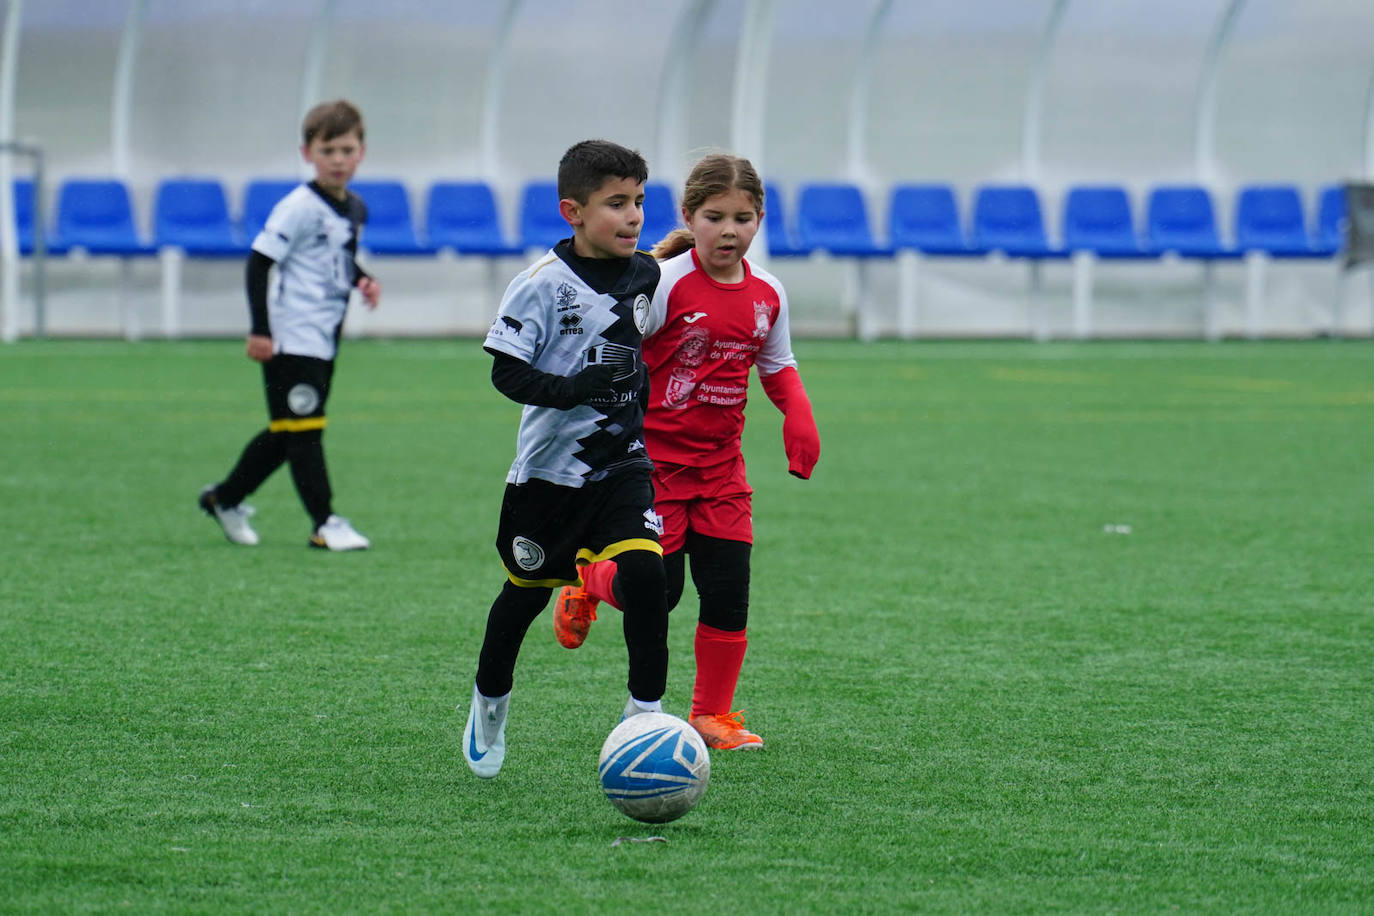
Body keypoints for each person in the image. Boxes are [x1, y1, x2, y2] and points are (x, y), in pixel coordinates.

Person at [552, 153, 820, 751]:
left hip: (723, 472)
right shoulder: (663, 284)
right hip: (651, 468)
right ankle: (588, 577)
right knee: (662, 594)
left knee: (728, 592)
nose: (730, 230)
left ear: (760, 219)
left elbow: (777, 365)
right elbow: (617, 355)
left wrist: (798, 414)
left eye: (744, 218)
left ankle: (711, 716)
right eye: (715, 216)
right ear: (689, 217)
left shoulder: (769, 292)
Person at [462, 139, 668, 779]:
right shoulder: (539, 287)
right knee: (521, 597)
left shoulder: (645, 272)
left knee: (646, 577)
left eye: (638, 202)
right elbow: (506, 375)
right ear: (571, 212)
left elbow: (648, 269)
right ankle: (489, 704)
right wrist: (575, 388)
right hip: (550, 475)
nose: (632, 216)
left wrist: (686, 242)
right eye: (615, 204)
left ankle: (645, 718)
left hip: (624, 462)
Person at [198, 99, 380, 551]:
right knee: (303, 430)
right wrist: (261, 330)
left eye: (346, 149)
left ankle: (225, 499)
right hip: (290, 335)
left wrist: (362, 278)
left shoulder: (354, 208)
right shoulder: (297, 206)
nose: (337, 160)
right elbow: (259, 263)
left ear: (361, 153)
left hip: (323, 337)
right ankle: (325, 523)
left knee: (289, 431)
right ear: (307, 154)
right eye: (327, 150)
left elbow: (334, 257)